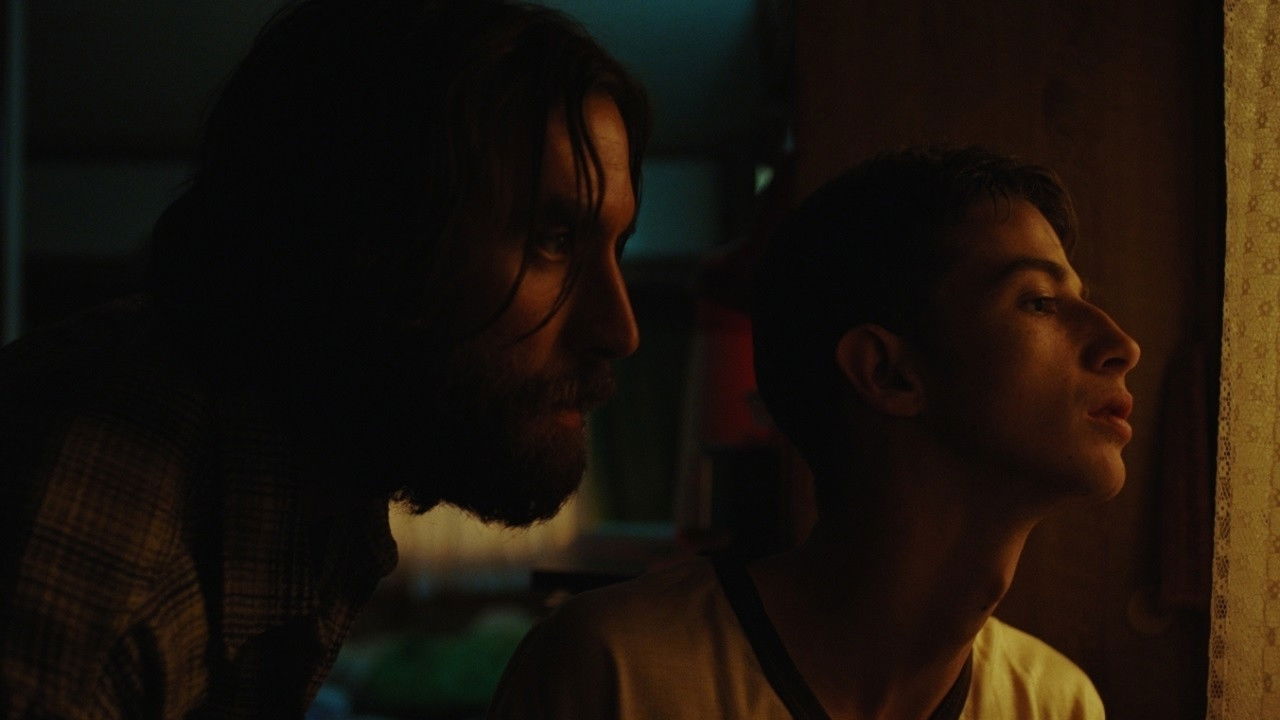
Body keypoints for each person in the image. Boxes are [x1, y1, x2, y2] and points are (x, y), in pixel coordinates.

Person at [0, 0, 648, 717]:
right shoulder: (98, 567)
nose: (620, 330)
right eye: (553, 240)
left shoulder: (325, 459)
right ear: (372, 240)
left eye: (617, 248)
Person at [489, 146, 1139, 720]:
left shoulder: (1056, 704)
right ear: (887, 373)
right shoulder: (612, 672)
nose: (1122, 345)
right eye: (1039, 301)